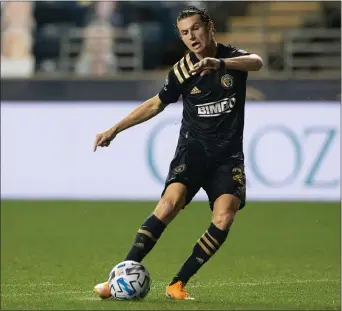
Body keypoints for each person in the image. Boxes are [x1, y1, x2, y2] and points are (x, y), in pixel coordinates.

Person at [93, 6, 263, 300]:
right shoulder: (183, 70)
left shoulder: (232, 59)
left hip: (227, 157)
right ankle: (118, 276)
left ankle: (177, 284)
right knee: (168, 206)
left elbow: (257, 62)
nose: (191, 37)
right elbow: (155, 104)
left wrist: (219, 64)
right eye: (184, 33)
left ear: (209, 27)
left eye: (195, 29)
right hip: (192, 152)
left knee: (224, 218)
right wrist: (115, 129)